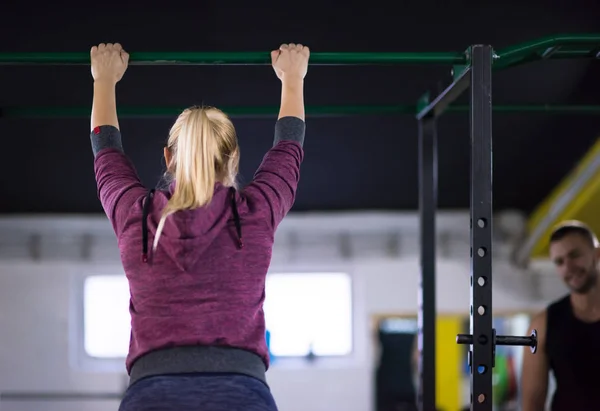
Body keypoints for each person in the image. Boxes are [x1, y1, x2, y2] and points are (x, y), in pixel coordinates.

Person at [89, 42, 310, 411]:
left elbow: (106, 151)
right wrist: (293, 78)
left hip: (153, 395)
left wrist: (104, 79)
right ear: (233, 158)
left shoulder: (137, 217)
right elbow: (289, 148)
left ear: (168, 158)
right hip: (241, 394)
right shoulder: (255, 215)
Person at [520, 220, 600, 411]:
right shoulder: (542, 325)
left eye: (575, 255)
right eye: (559, 261)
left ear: (596, 254)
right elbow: (532, 403)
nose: (568, 266)